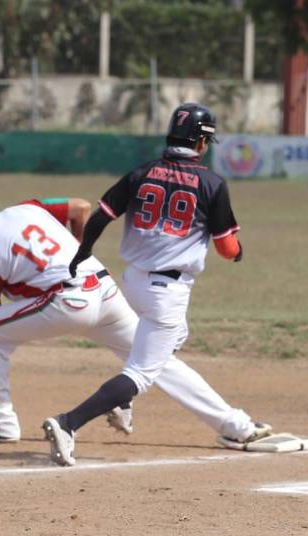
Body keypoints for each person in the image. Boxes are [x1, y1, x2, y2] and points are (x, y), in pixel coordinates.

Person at [0, 192, 261, 445]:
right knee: (154, 360)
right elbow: (80, 207)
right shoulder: (26, 209)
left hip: (69, 302)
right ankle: (234, 425)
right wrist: (80, 250)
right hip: (104, 289)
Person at [42, 102, 272, 467]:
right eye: (206, 142)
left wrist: (83, 251)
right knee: (142, 373)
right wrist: (239, 252)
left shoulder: (142, 173)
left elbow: (101, 216)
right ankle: (69, 423)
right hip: (168, 291)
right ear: (198, 141)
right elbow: (227, 248)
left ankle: (230, 423)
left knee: (171, 342)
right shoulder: (212, 183)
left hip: (132, 281)